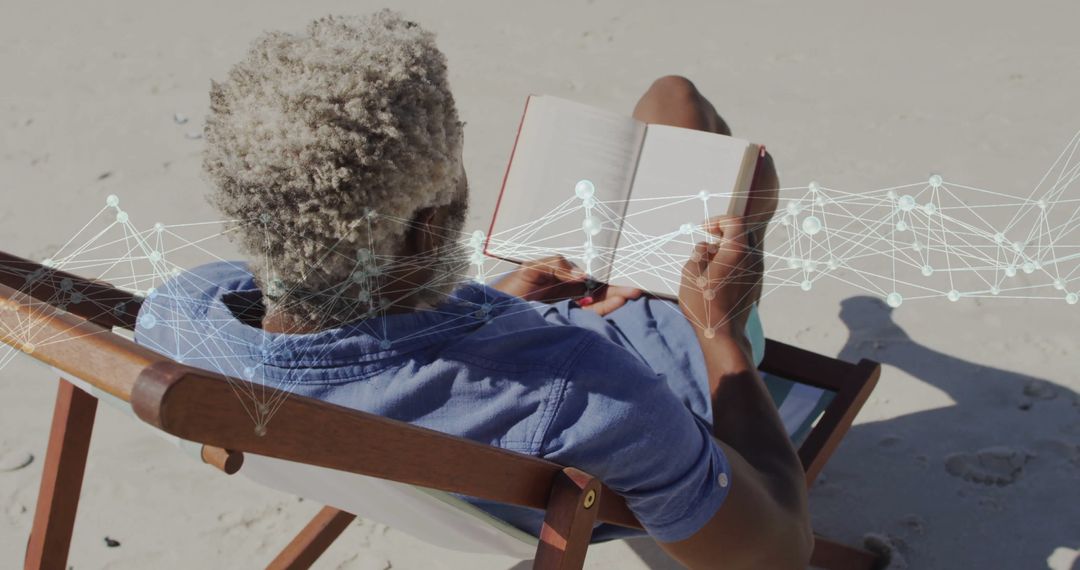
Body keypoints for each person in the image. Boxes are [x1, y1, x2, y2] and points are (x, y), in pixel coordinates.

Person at [135, 10, 810, 569]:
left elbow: (382, 370)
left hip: (484, 405)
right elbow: (777, 552)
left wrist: (497, 307)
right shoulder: (589, 396)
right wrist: (720, 333)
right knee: (689, 116)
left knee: (672, 104)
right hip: (667, 359)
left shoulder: (179, 316)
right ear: (429, 229)